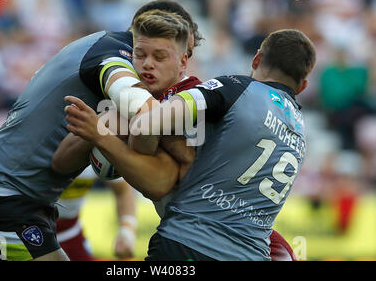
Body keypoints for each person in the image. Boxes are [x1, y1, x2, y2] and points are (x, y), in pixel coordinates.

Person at [0, 0, 191, 261]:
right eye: (176, 51)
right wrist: (190, 154)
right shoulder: (113, 54)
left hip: (24, 200)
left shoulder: (111, 57)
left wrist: (101, 136)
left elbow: (61, 163)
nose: (183, 68)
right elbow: (142, 109)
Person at [65, 28, 316, 260]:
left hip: (188, 241)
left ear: (256, 60)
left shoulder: (237, 88)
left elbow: (150, 122)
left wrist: (105, 132)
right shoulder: (301, 133)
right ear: (302, 86)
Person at [52, 0, 203, 261]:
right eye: (141, 54)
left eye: (161, 55)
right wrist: (103, 129)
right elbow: (60, 163)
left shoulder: (191, 99)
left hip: (212, 237)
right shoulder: (120, 92)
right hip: (182, 234)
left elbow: (162, 182)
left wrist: (105, 135)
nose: (148, 64)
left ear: (183, 59)